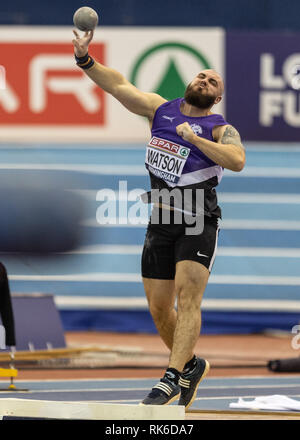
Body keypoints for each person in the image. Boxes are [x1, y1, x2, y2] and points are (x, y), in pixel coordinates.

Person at [72, 30, 245, 410]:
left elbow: (237, 161)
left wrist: (196, 140)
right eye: (200, 76)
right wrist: (85, 59)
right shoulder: (159, 109)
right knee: (158, 308)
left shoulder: (219, 127)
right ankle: (191, 365)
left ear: (217, 97)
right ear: (189, 83)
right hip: (161, 220)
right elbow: (118, 86)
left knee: (188, 300)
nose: (204, 81)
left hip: (199, 221)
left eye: (212, 81)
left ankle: (170, 377)